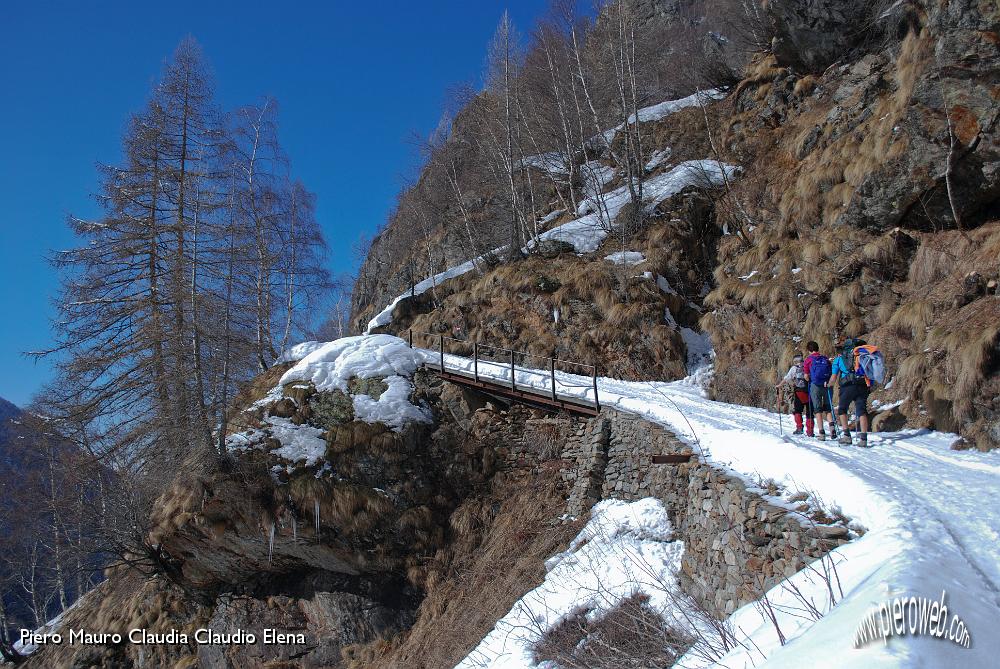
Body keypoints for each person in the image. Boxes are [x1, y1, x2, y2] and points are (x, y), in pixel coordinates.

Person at [832, 338, 871, 447]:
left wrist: (828, 384)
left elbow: (834, 377)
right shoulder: (863, 357)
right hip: (862, 384)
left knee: (842, 410)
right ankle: (863, 439)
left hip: (847, 386)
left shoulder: (839, 359)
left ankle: (847, 436)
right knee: (862, 411)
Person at [802, 341, 835, 441]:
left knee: (817, 409)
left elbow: (806, 376)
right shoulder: (825, 359)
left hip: (815, 385)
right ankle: (832, 429)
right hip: (826, 385)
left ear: (809, 350)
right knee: (828, 408)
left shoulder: (808, 360)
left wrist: (809, 379)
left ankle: (821, 433)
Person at [775, 353, 813, 436]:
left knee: (797, 410)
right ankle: (810, 431)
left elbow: (787, 378)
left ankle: (799, 428)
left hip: (799, 392)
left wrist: (779, 385)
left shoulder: (794, 368)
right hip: (810, 391)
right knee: (809, 411)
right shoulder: (808, 366)